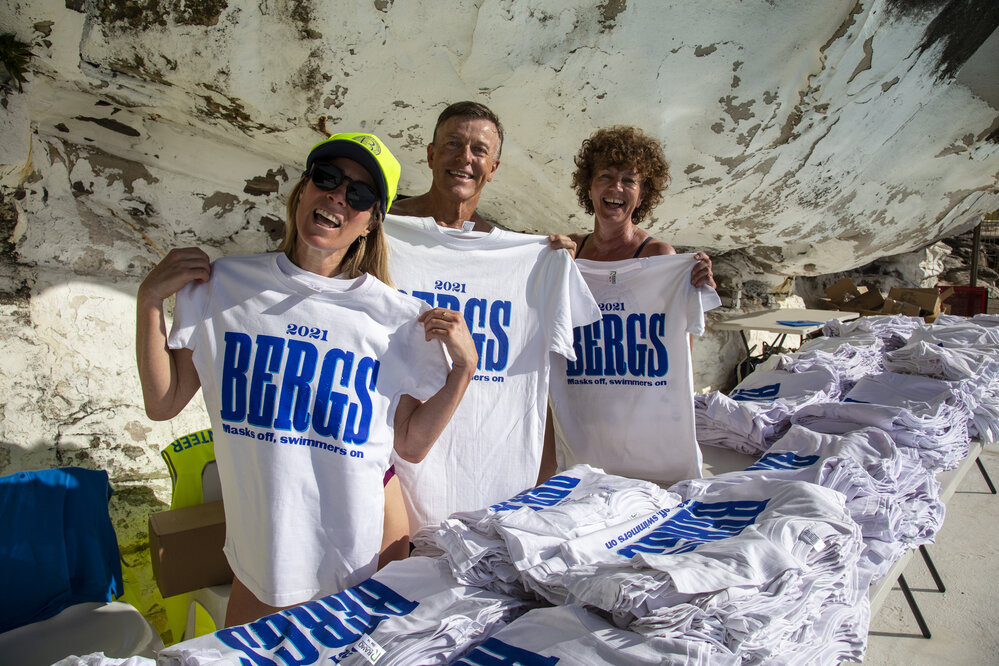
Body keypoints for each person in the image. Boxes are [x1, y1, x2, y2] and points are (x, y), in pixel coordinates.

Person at [135, 132, 477, 626]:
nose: (339, 196)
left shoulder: (394, 319)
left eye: (359, 194)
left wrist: (463, 371)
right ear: (303, 189)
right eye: (328, 178)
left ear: (371, 223)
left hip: (362, 541)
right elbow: (164, 402)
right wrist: (149, 303)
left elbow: (411, 444)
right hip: (266, 550)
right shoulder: (226, 289)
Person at [384, 102, 601, 535]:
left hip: (485, 491)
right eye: (453, 144)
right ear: (429, 155)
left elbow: (538, 376)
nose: (465, 157)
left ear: (493, 166)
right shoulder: (381, 234)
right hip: (390, 473)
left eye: (478, 150)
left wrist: (553, 261)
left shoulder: (524, 258)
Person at [546, 125, 722, 485]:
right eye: (606, 177)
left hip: (643, 433)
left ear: (642, 195)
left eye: (629, 180)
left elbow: (674, 348)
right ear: (589, 187)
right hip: (585, 430)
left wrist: (690, 287)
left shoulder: (659, 257)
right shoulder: (570, 252)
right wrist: (549, 261)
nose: (616, 189)